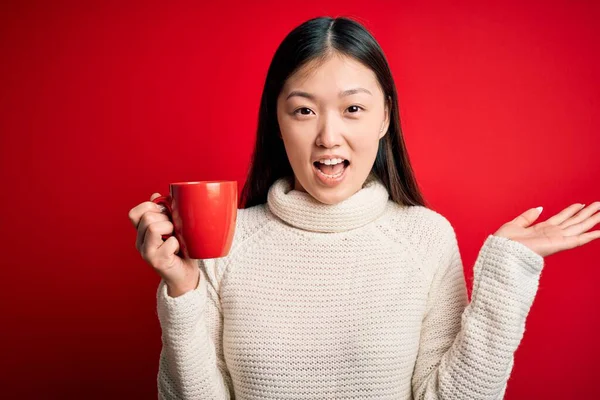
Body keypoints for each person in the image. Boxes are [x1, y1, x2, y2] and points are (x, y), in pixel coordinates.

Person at [127, 16, 600, 400]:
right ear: (278, 120)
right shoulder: (225, 241)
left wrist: (504, 275)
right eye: (304, 110)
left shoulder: (426, 238)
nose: (328, 136)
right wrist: (183, 289)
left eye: (352, 109)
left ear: (384, 117)